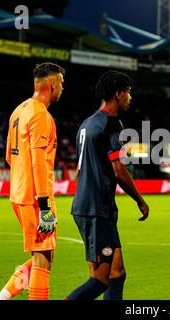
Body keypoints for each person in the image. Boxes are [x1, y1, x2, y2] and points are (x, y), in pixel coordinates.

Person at [66, 70, 149, 300]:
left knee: (117, 272)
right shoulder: (112, 124)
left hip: (87, 206)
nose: (130, 97)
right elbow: (119, 169)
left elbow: (81, 169)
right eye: (128, 92)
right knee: (100, 279)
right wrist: (140, 200)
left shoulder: (87, 123)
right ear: (118, 94)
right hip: (97, 210)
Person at [0, 62, 65, 300]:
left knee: (42, 254)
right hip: (36, 198)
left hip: (19, 193)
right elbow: (38, 162)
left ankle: (1, 298)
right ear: (52, 84)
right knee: (43, 259)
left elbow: (8, 156)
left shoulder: (20, 110)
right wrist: (44, 206)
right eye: (62, 84)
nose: (63, 88)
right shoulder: (41, 116)